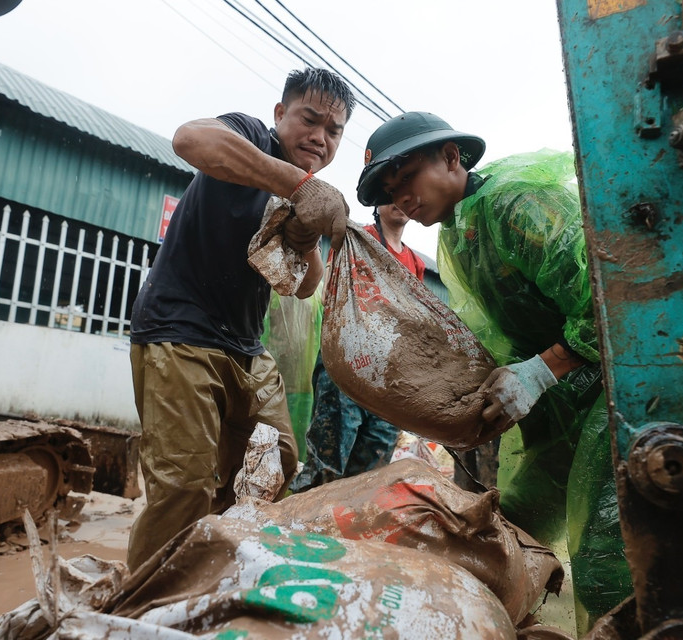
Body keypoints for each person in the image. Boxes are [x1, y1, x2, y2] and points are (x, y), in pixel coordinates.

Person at [355, 112, 625, 629]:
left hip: (618, 394)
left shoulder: (513, 203)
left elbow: (610, 296)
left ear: (452, 157)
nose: (401, 198)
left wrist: (543, 370)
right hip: (566, 409)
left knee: (605, 549)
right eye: (391, 189)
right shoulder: (458, 235)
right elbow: (492, 332)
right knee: (513, 527)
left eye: (406, 177)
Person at [127, 68, 354, 572]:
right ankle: (143, 603)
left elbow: (306, 284)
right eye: (309, 120)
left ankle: (209, 571)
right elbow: (190, 139)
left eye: (333, 130)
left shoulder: (305, 191)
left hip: (245, 348)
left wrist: (303, 236)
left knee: (274, 466)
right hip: (179, 333)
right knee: (183, 485)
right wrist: (294, 182)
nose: (319, 137)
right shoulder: (251, 136)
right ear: (280, 115)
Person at [292, 203, 425, 491]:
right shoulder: (356, 239)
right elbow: (334, 293)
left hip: (387, 384)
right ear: (377, 202)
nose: (400, 201)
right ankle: (295, 531)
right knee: (325, 468)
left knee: (369, 481)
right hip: (346, 368)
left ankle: (345, 534)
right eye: (391, 194)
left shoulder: (415, 263)